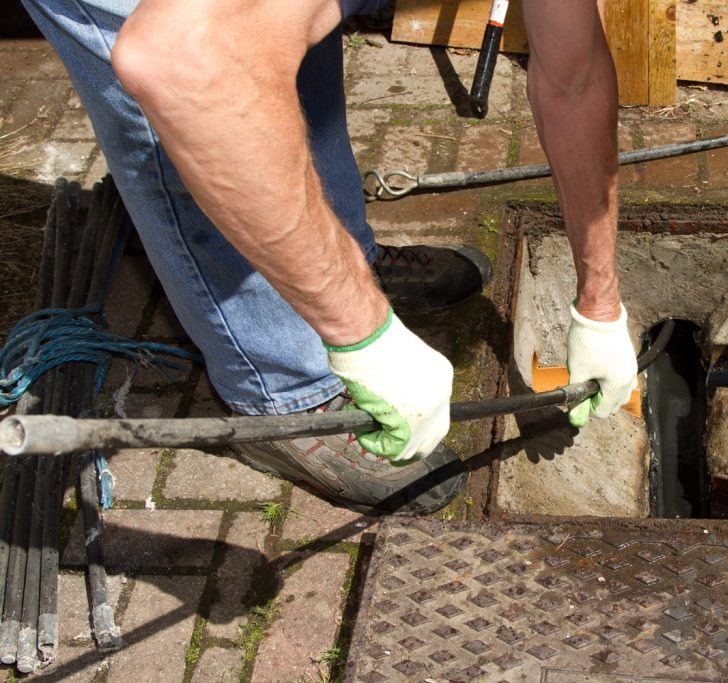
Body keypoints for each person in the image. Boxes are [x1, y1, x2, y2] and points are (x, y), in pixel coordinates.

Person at [21, 0, 639, 514]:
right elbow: (183, 65)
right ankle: (282, 389)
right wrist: (364, 337)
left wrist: (601, 305)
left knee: (286, 41)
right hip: (176, 40)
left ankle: (347, 267)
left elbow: (574, 76)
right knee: (196, 119)